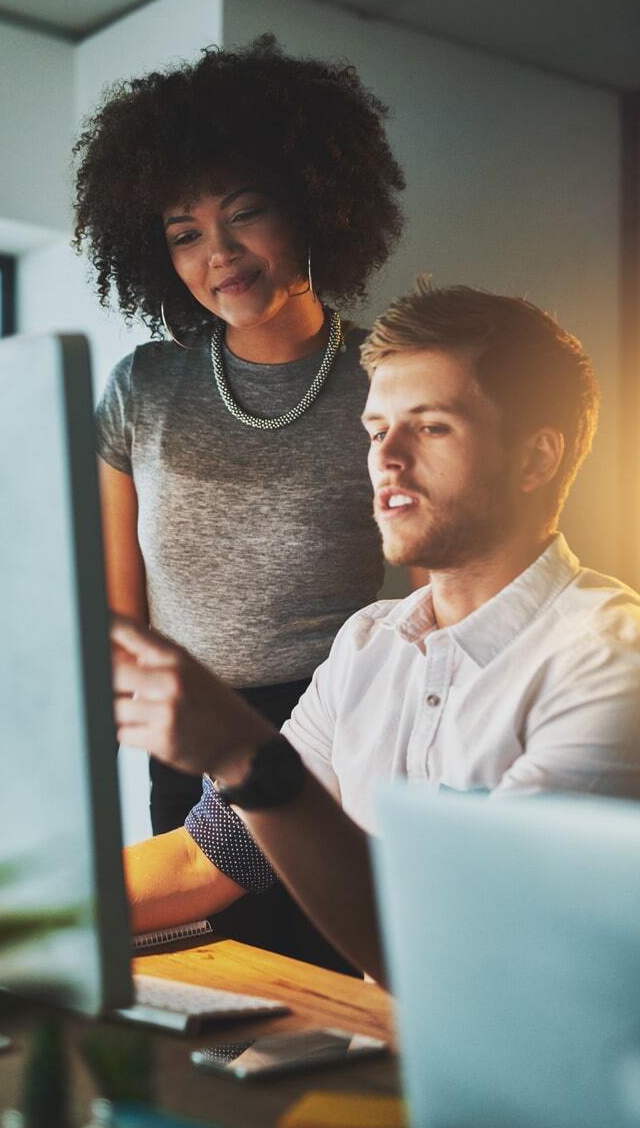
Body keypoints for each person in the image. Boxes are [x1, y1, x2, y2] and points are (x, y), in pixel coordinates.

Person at [111, 281, 640, 985]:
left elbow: (462, 961)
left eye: (430, 426)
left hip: (540, 1093)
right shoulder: (367, 644)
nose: (385, 459)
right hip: (378, 1067)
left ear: (536, 459)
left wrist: (245, 754)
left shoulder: (608, 666)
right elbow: (210, 855)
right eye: (375, 429)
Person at [72, 37, 405, 968]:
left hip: (327, 734)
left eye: (245, 215)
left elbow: (431, 602)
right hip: (179, 730)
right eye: (184, 233)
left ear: (313, 206)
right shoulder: (144, 387)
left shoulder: (388, 377)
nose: (218, 255)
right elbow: (116, 610)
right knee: (196, 988)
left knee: (329, 986)